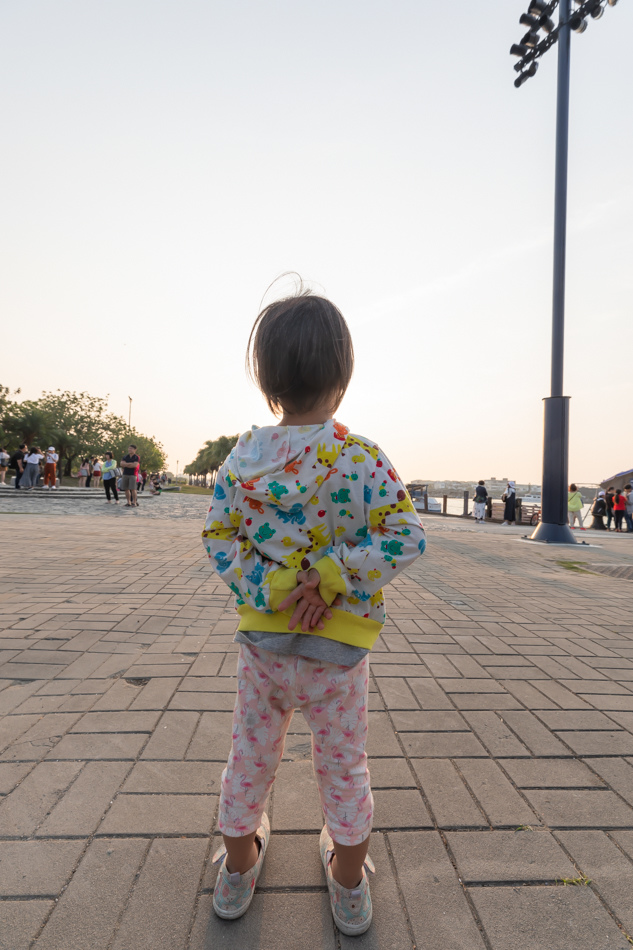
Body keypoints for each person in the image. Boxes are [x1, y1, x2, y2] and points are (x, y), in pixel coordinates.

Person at [202, 289, 425, 935]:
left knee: (249, 758)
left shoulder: (240, 463)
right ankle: (348, 883)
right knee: (343, 765)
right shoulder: (360, 457)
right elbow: (405, 537)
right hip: (338, 650)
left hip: (265, 649)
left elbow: (219, 538)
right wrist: (328, 578)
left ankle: (238, 867)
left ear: (266, 379)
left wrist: (273, 589)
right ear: (341, 375)